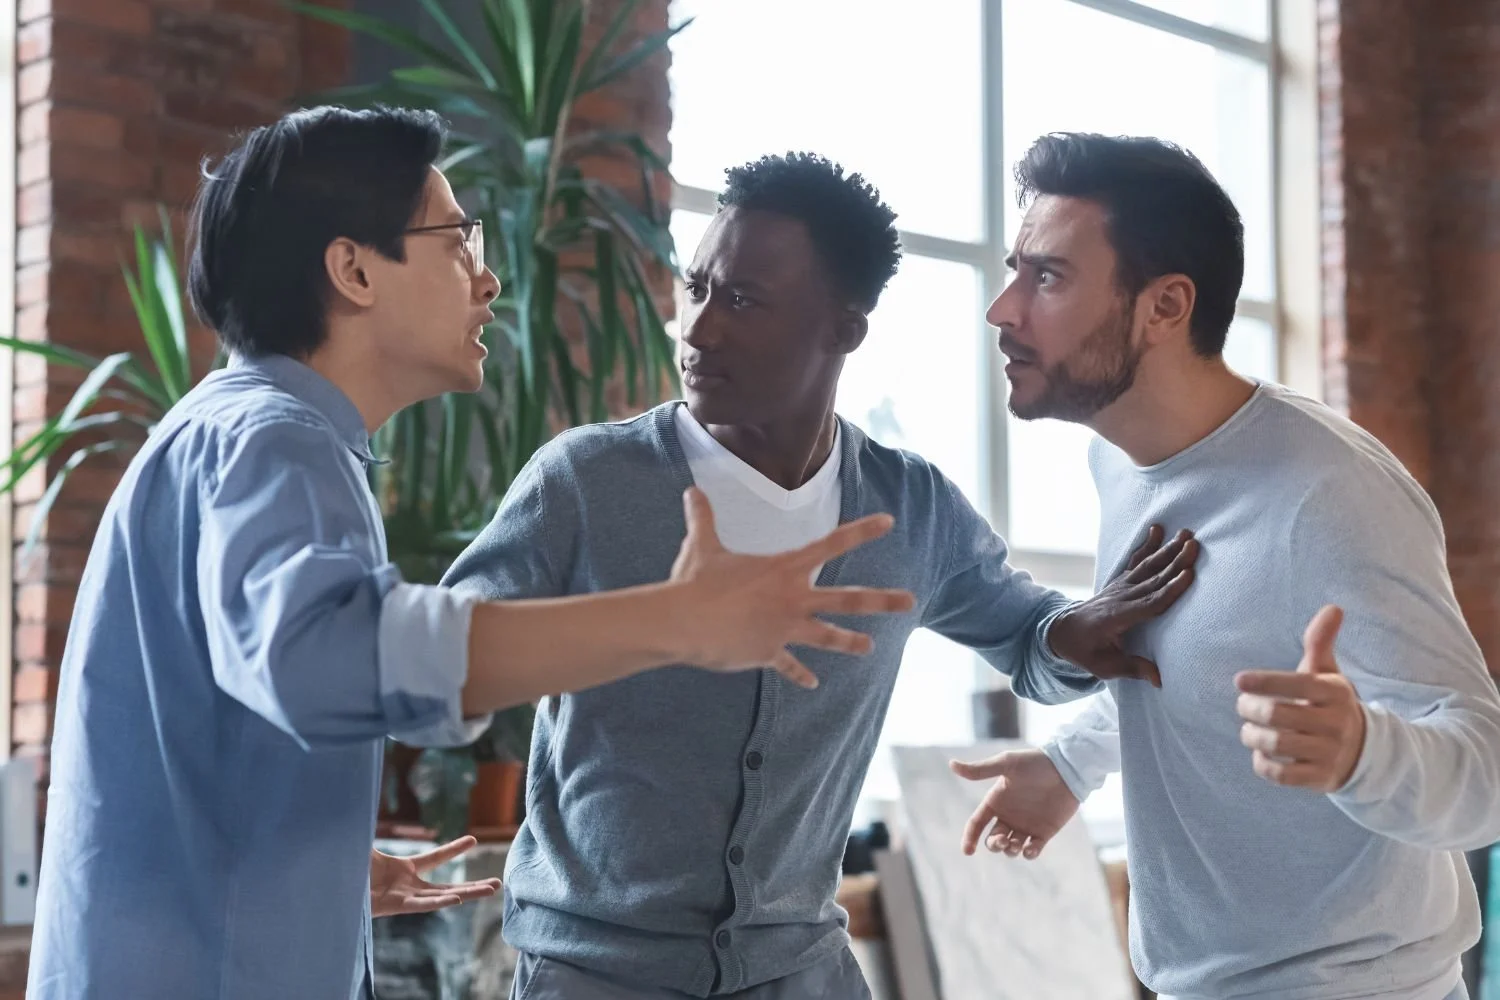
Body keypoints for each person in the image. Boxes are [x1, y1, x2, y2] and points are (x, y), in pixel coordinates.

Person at [26, 107, 919, 1000]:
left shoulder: (240, 431)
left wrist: (315, 871)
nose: (487, 279)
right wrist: (672, 620)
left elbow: (216, 713)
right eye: (457, 241)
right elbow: (323, 656)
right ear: (354, 270)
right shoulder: (275, 440)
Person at [440, 151, 1201, 1000]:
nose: (699, 330)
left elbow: (1029, 640)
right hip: (593, 975)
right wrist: (646, 625)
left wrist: (1077, 634)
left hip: (801, 971)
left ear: (844, 328)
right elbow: (439, 670)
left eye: (742, 300)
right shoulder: (585, 483)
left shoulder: (909, 506)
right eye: (697, 288)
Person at [951, 132, 1500, 1000]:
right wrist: (1071, 764)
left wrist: (1365, 752)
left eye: (1047, 277)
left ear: (1166, 306)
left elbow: (1486, 768)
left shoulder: (1332, 490)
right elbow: (1193, 660)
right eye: (1017, 270)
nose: (1003, 309)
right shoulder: (1118, 464)